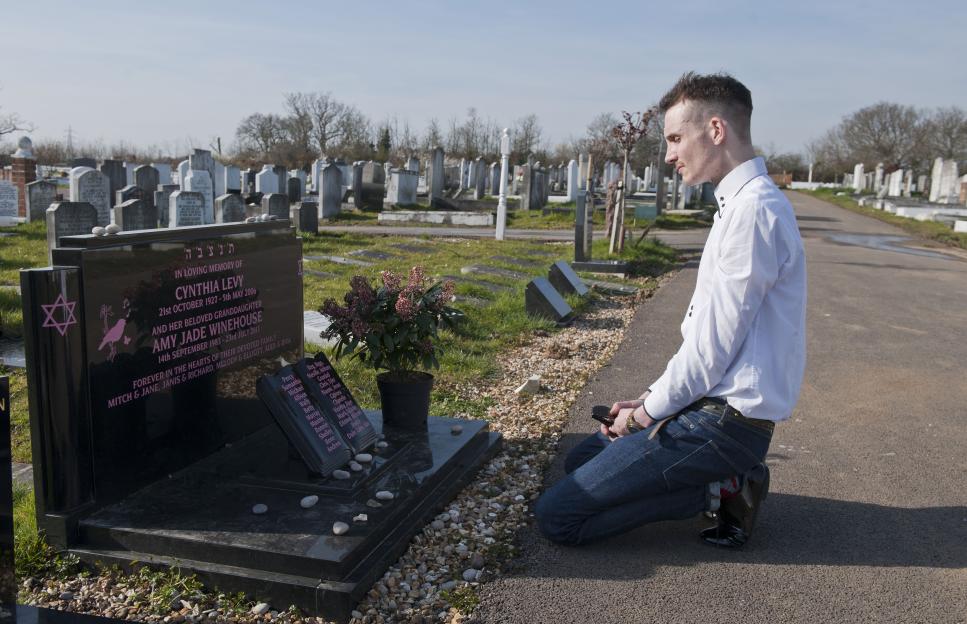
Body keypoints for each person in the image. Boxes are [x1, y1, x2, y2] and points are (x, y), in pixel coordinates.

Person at [535, 71, 807, 548]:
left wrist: (644, 418)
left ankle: (718, 490)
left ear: (716, 130)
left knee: (558, 517)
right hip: (706, 408)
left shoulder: (754, 212)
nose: (668, 154)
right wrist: (648, 399)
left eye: (677, 138)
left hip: (724, 424)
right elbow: (707, 342)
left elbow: (710, 352)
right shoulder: (738, 204)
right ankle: (710, 480)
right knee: (582, 462)